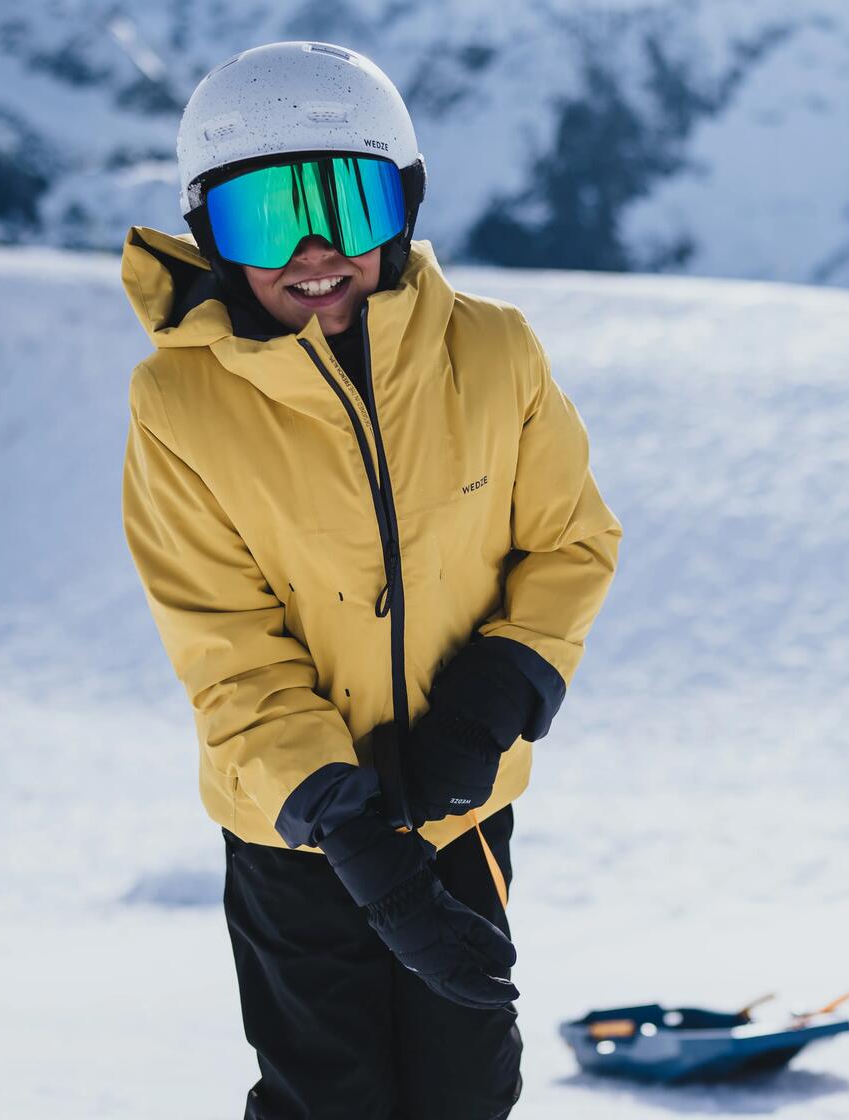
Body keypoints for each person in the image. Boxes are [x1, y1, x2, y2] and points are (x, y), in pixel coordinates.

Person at [119, 41, 621, 1120]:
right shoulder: (181, 405)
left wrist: (485, 711)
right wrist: (350, 832)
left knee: (467, 1090)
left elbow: (569, 542)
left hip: (461, 806)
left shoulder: (495, 353)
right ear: (210, 231)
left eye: (346, 205)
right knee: (327, 1098)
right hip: (297, 831)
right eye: (266, 217)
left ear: (402, 207)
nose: (314, 253)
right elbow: (226, 648)